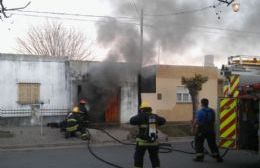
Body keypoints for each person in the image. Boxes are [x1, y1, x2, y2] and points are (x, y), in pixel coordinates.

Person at [130, 101, 166, 168]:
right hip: (153, 143)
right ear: (150, 109)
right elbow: (163, 120)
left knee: (139, 158)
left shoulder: (140, 116)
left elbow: (131, 121)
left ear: (142, 109)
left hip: (142, 143)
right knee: (154, 158)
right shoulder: (154, 116)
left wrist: (139, 116)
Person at [192, 98, 223, 162]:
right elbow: (214, 120)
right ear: (207, 103)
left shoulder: (200, 112)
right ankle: (217, 157)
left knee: (199, 143)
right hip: (211, 130)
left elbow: (196, 121)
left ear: (202, 103)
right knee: (212, 144)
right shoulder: (212, 111)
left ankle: (199, 157)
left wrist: (193, 127)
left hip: (201, 130)